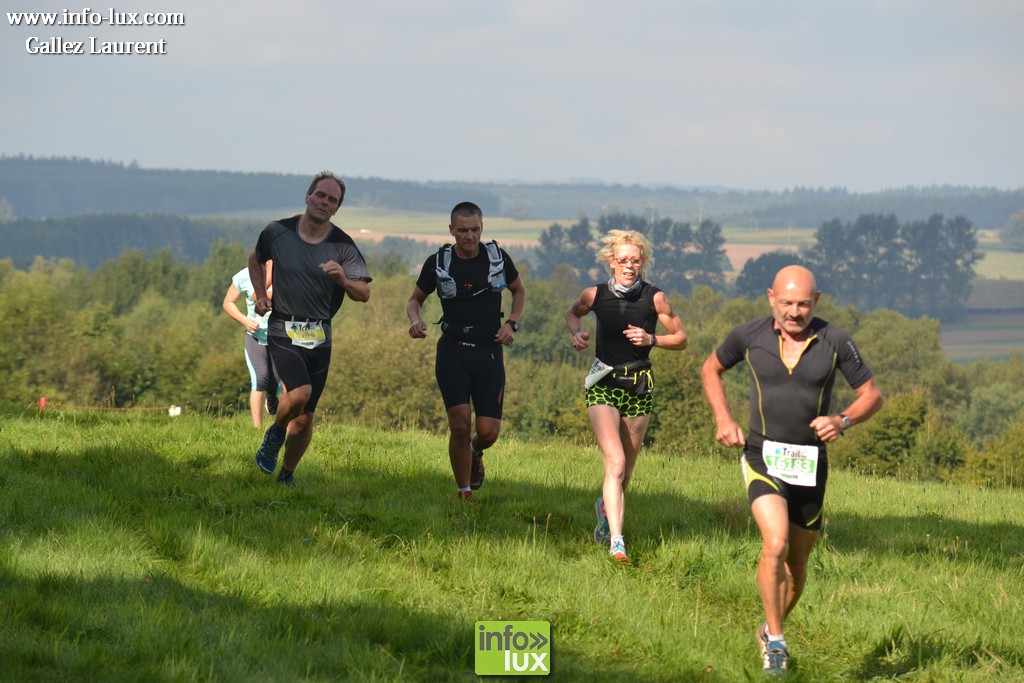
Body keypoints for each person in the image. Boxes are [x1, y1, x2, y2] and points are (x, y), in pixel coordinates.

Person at [700, 265, 883, 675]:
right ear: (771, 298)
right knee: (776, 542)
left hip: (810, 464)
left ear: (815, 301)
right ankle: (778, 644)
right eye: (786, 303)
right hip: (762, 455)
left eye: (802, 304)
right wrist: (723, 419)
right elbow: (710, 369)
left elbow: (872, 395)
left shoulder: (835, 340)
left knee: (797, 566)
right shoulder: (748, 335)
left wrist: (843, 420)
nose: (794, 312)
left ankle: (768, 628)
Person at [565, 229, 688, 563]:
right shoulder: (594, 294)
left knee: (625, 475)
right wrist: (577, 335)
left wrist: (652, 340)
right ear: (612, 261)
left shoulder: (655, 298)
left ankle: (605, 510)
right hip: (602, 379)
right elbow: (572, 313)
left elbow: (681, 338)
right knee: (615, 464)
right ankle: (617, 542)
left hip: (639, 384)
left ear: (642, 261)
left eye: (635, 260)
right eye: (623, 260)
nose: (629, 266)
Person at [249, 171, 372, 486]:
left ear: (336, 208)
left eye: (332, 200)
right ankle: (275, 434)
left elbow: (364, 293)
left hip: (320, 335)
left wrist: (343, 280)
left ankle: (286, 477)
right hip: (282, 328)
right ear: (308, 196)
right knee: (299, 393)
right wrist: (262, 295)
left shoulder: (343, 246)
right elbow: (255, 259)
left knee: (304, 418)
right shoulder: (277, 232)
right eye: (320, 195)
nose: (324, 202)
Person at [406, 201, 526, 501]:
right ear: (451, 230)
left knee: (487, 432)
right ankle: (464, 493)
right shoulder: (439, 262)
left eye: (474, 230)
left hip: (488, 351)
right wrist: (416, 321)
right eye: (462, 230)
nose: (469, 236)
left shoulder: (497, 257)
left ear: (481, 229)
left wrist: (511, 324)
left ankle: (475, 452)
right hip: (453, 351)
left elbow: (519, 291)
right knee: (459, 425)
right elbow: (414, 300)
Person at [222, 261, 280, 428]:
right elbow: (228, 302)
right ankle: (257, 428)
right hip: (255, 337)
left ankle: (273, 395)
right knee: (259, 379)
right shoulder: (245, 275)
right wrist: (245, 320)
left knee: (275, 384)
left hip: (280, 339)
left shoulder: (286, 273)